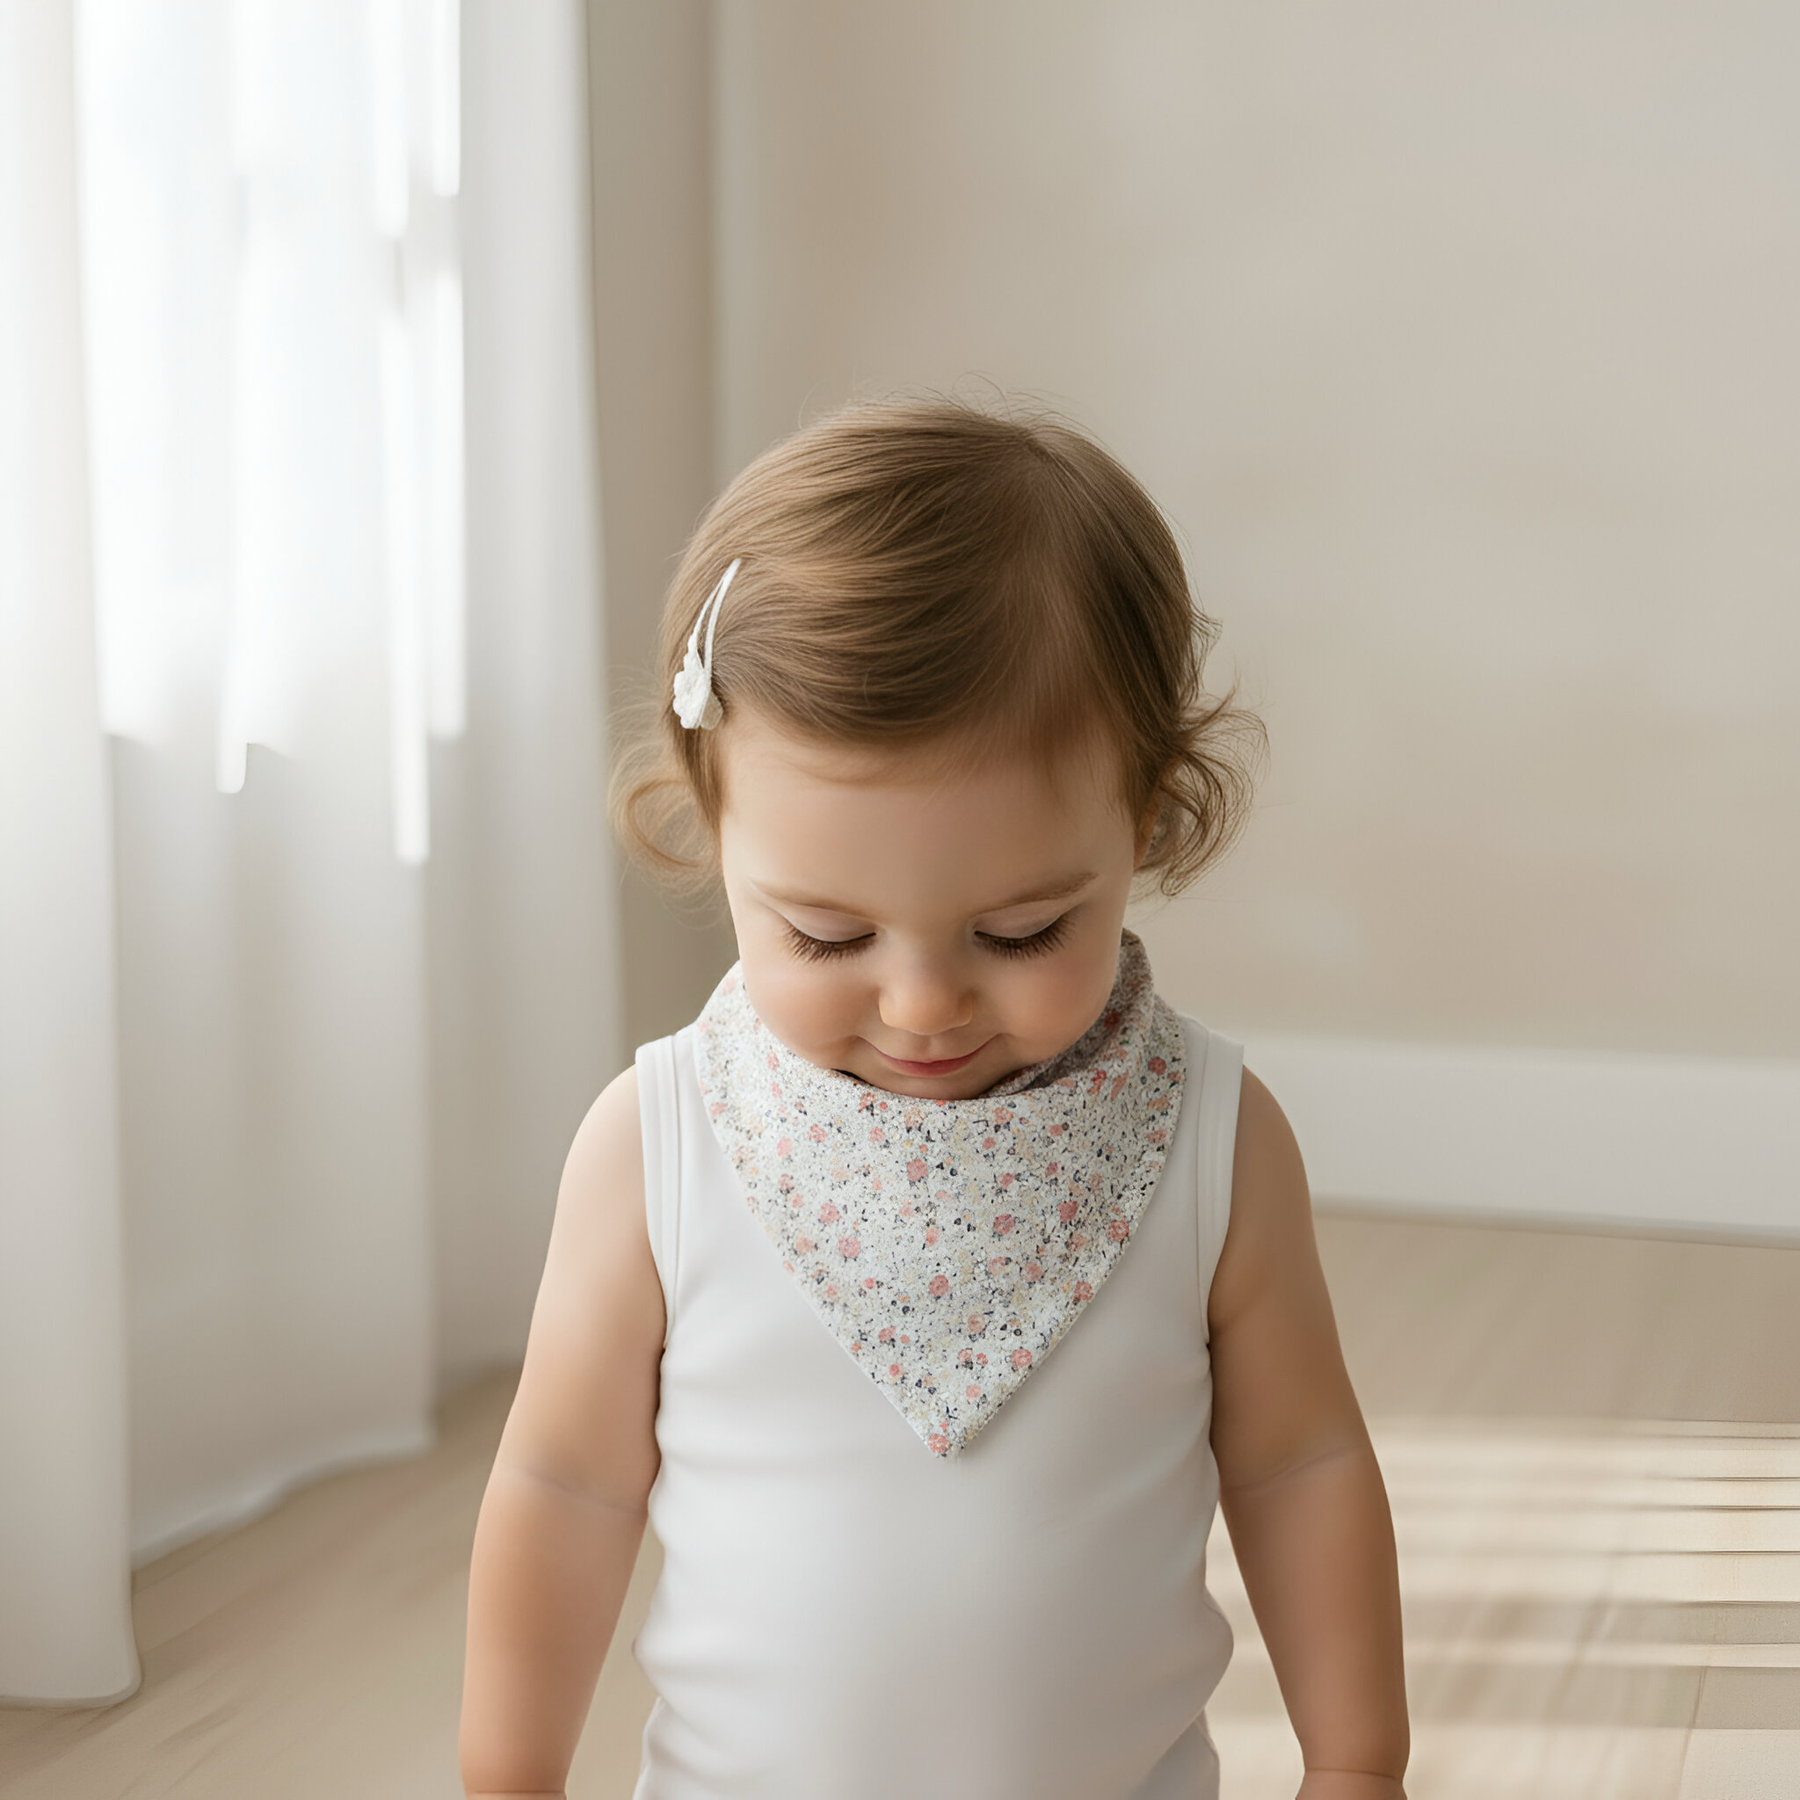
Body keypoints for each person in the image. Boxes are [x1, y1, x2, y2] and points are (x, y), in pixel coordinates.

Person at [458, 398, 1409, 1800]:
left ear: (1144, 815)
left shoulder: (1212, 1141)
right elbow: (564, 1485)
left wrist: (1357, 1765)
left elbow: (1300, 1464)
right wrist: (508, 1778)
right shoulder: (656, 1149)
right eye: (826, 935)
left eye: (1020, 932)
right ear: (713, 824)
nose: (920, 1004)